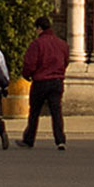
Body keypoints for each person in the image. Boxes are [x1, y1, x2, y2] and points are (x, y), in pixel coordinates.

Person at [19, 14, 68, 150]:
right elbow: (65, 61)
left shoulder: (37, 44)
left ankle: (29, 139)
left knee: (34, 111)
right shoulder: (62, 44)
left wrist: (27, 75)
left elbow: (30, 63)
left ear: (39, 28)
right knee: (56, 112)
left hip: (41, 82)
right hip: (57, 81)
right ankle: (60, 140)